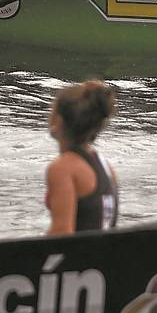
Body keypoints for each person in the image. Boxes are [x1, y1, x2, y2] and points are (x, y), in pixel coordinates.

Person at [44, 80, 118, 235]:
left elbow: (61, 233)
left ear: (58, 121)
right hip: (103, 256)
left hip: (77, 257)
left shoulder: (63, 168)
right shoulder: (107, 167)